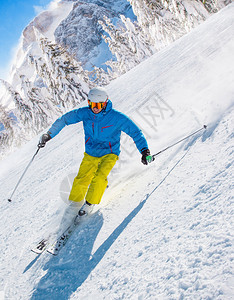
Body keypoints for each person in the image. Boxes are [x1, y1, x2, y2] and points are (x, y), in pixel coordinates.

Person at [38, 86, 152, 218]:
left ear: (105, 103)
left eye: (98, 104)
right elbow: (65, 119)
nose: (95, 108)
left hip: (109, 153)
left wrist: (144, 151)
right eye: (91, 104)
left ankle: (89, 204)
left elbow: (135, 132)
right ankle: (74, 205)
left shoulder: (116, 117)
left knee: (98, 178)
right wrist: (49, 135)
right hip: (91, 152)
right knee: (82, 179)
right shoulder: (86, 113)